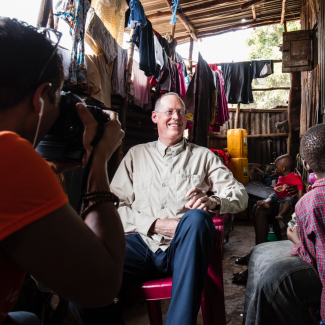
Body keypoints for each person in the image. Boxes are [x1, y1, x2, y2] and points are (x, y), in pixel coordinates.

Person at [69, 92, 249, 325]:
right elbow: (113, 208)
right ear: (155, 117)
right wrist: (155, 225)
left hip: (184, 250)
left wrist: (214, 202)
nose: (177, 117)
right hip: (141, 244)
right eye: (170, 112)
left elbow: (240, 196)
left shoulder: (203, 156)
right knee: (81, 282)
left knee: (196, 219)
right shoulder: (136, 155)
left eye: (182, 112)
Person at [0, 18, 125, 325]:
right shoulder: (10, 155)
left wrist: (45, 170)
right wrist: (99, 158)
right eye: (58, 98)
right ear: (40, 97)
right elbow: (101, 287)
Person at [243, 123, 325, 325]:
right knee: (259, 252)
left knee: (273, 279)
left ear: (306, 165)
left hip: (318, 266)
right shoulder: (308, 199)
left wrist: (296, 240)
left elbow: (318, 258)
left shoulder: (310, 202)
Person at [256, 155, 303, 220]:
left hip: (288, 197)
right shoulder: (281, 176)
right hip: (279, 195)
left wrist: (300, 200)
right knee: (271, 196)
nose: (275, 169)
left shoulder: (293, 178)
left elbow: (300, 184)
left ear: (283, 168)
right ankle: (266, 202)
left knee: (288, 201)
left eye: (276, 168)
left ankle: (281, 213)